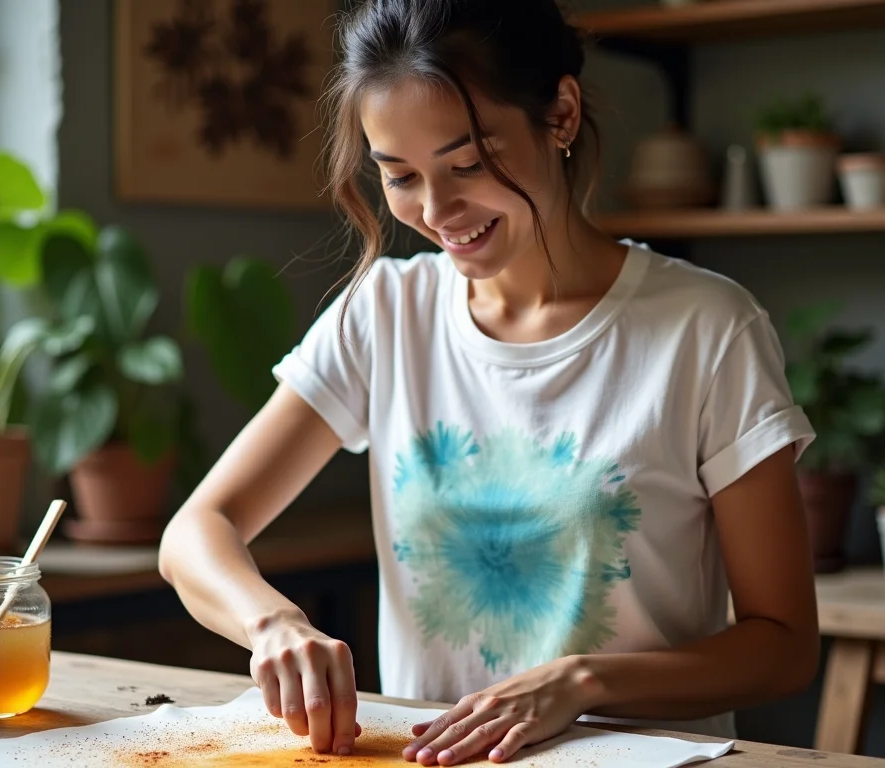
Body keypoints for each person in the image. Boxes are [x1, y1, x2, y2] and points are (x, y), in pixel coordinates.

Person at [158, 0, 821, 764]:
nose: (437, 210)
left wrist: (582, 682)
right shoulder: (386, 313)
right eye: (400, 176)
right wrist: (273, 625)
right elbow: (195, 533)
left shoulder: (707, 328)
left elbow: (783, 645)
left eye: (468, 164)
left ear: (561, 113)